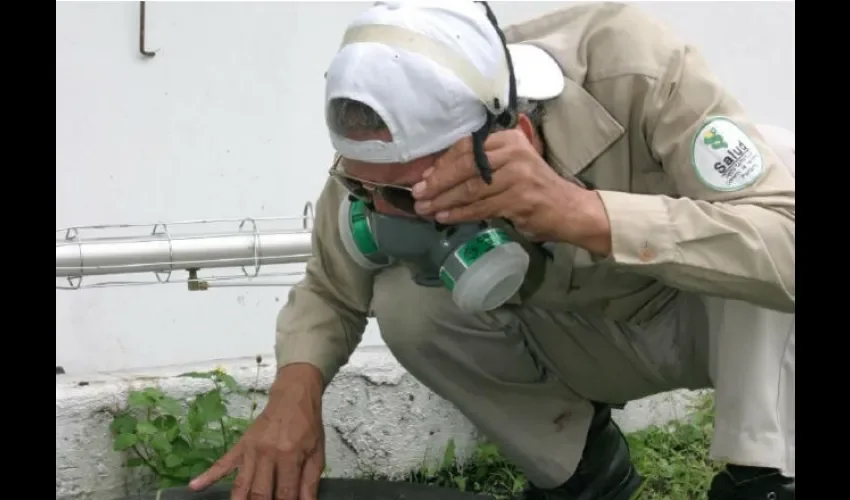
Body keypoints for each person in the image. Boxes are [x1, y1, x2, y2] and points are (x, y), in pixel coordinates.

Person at [189, 2, 796, 499]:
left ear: (515, 138)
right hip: (595, 340)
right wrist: (294, 396)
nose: (384, 210)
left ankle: (765, 475)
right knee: (407, 303)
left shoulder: (629, 64)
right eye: (365, 188)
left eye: (410, 192)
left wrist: (581, 213)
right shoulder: (381, 149)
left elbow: (787, 243)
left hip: (713, 320)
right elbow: (330, 286)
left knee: (770, 195)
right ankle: (581, 472)